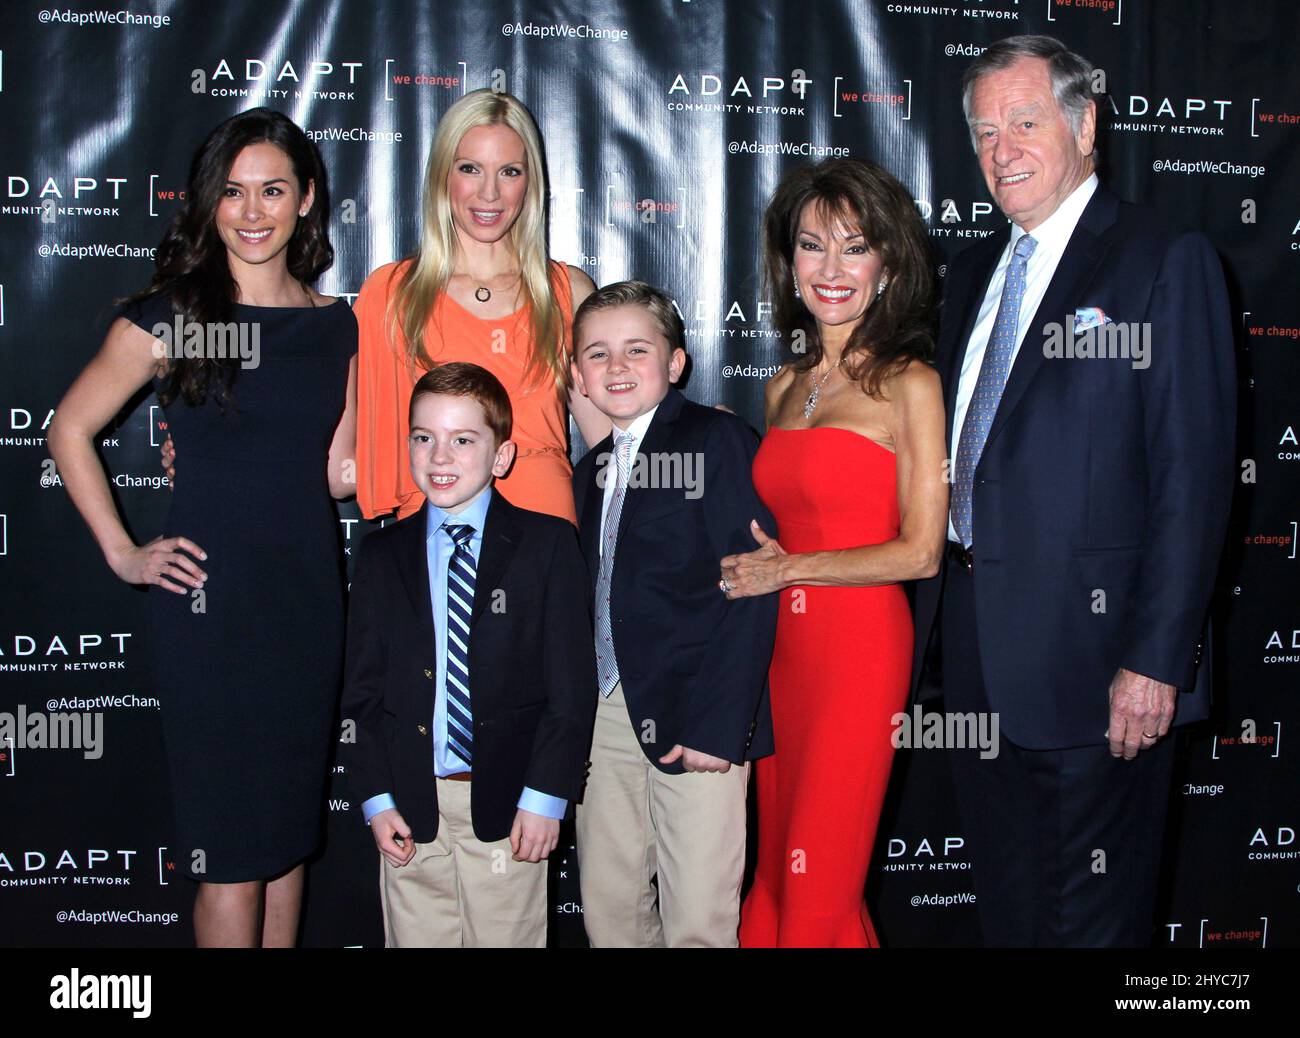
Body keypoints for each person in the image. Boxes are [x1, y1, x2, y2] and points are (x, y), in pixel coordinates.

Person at [909, 34, 1236, 947]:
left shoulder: (1161, 260)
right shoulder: (973, 271)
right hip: (974, 660)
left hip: (1103, 670)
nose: (1000, 149)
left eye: (1023, 121)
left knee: (1096, 924)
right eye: (983, 132)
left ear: (1085, 125)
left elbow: (1193, 479)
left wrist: (1159, 659)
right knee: (1012, 916)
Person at [47, 108, 358, 947]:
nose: (252, 211)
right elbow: (68, 428)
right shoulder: (178, 315)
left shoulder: (339, 327)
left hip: (306, 604)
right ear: (207, 203)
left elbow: (340, 473)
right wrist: (123, 552)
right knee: (231, 855)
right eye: (232, 192)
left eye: (272, 190)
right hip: (209, 612)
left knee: (289, 841)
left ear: (307, 201)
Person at [720, 159, 948, 947]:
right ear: (790, 262)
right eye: (813, 246)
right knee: (779, 881)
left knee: (818, 891)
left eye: (855, 247)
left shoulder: (909, 383)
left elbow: (920, 552)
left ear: (888, 264)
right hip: (779, 656)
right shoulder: (783, 387)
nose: (832, 268)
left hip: (857, 654)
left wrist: (791, 570)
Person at [340, 363, 596, 947]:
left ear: (502, 456)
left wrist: (545, 797)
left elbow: (570, 691)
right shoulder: (382, 557)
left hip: (508, 806)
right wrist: (376, 800)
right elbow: (360, 696)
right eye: (424, 438)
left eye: (463, 440)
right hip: (410, 808)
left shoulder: (546, 545)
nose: (440, 457)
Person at [569, 281, 778, 947]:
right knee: (612, 911)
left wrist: (722, 726)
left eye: (637, 349)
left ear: (676, 362)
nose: (618, 367)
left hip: (696, 712)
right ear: (576, 374)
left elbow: (753, 584)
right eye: (597, 355)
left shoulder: (718, 440)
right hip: (604, 714)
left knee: (696, 919)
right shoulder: (591, 468)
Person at [353, 87, 608, 525]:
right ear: (442, 175)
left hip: (543, 527)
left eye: (509, 171)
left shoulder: (565, 291)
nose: (489, 193)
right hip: (431, 530)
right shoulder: (392, 293)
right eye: (470, 168)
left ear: (531, 183)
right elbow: (344, 452)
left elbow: (611, 441)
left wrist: (700, 443)